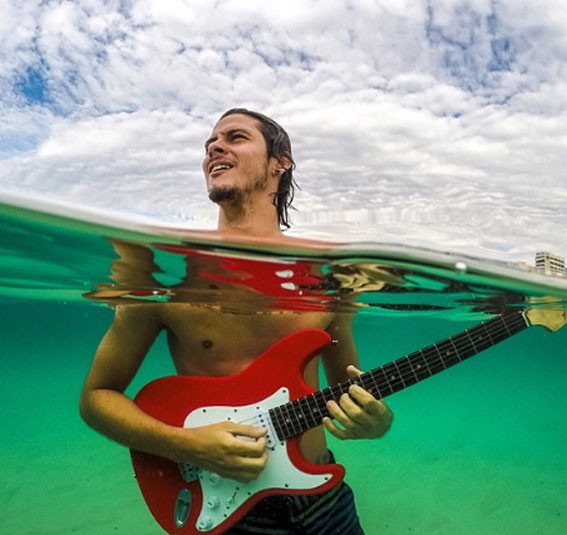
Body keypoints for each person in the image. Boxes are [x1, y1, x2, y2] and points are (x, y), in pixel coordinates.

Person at [80, 108, 393, 534]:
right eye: (210, 142)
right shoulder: (168, 272)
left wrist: (374, 422)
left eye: (236, 137)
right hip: (226, 511)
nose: (214, 146)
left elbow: (350, 392)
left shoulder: (331, 277)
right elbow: (97, 396)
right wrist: (185, 445)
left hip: (324, 502)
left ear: (279, 163)